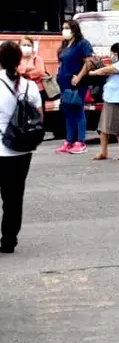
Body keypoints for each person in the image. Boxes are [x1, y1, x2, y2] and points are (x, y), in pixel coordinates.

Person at [0, 41, 42, 254]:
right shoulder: (29, 86)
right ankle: (8, 240)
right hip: (21, 149)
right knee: (14, 197)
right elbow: (39, 116)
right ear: (19, 61)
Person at [88, 43, 119, 161]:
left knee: (116, 127)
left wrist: (94, 72)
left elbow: (107, 70)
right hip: (110, 99)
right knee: (103, 127)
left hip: (117, 100)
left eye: (112, 53)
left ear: (117, 53)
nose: (111, 56)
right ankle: (103, 152)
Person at [56, 19, 95, 155]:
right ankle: (69, 141)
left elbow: (89, 62)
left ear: (74, 29)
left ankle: (81, 141)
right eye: (63, 28)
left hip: (77, 83)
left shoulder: (82, 44)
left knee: (78, 110)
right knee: (68, 112)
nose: (64, 31)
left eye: (67, 28)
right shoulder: (65, 46)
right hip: (64, 83)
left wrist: (79, 76)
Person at [17, 37, 47, 102]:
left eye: (29, 45)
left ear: (32, 47)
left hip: (38, 90)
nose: (26, 47)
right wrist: (31, 69)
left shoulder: (37, 59)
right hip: (20, 91)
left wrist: (24, 73)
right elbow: (15, 71)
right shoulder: (16, 59)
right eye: (24, 45)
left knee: (38, 111)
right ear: (19, 46)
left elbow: (41, 72)